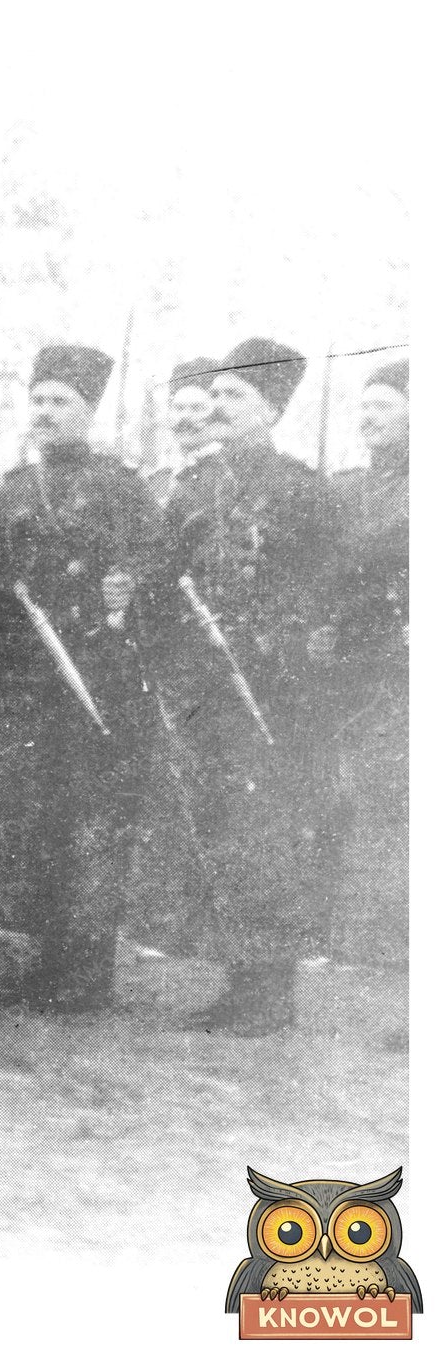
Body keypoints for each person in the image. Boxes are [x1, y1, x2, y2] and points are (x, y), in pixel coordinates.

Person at [156, 337, 339, 1035]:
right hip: (205, 689)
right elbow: (169, 574)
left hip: (274, 697)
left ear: (268, 409)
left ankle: (271, 993)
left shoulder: (302, 491)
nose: (216, 406)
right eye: (217, 394)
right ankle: (239, 982)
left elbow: (326, 592)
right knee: (221, 832)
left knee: (267, 837)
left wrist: (283, 645)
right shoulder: (201, 486)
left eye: (233, 396)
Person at [0, 345, 160, 1012]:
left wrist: (125, 591)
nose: (45, 412)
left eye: (60, 402)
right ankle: (45, 957)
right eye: (38, 401)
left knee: (91, 823)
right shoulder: (12, 489)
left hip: (99, 679)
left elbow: (146, 566)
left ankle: (87, 970)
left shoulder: (121, 487)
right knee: (38, 818)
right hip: (31, 680)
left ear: (87, 412)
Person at [319, 358, 408, 960]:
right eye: (365, 405)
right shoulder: (344, 488)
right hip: (339, 661)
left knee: (388, 796)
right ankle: (336, 933)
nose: (369, 415)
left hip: (399, 666)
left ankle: (387, 941)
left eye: (385, 405)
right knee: (335, 792)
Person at [146, 358, 222, 508]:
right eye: (179, 408)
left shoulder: (224, 474)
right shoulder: (159, 478)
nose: (185, 417)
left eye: (197, 408)